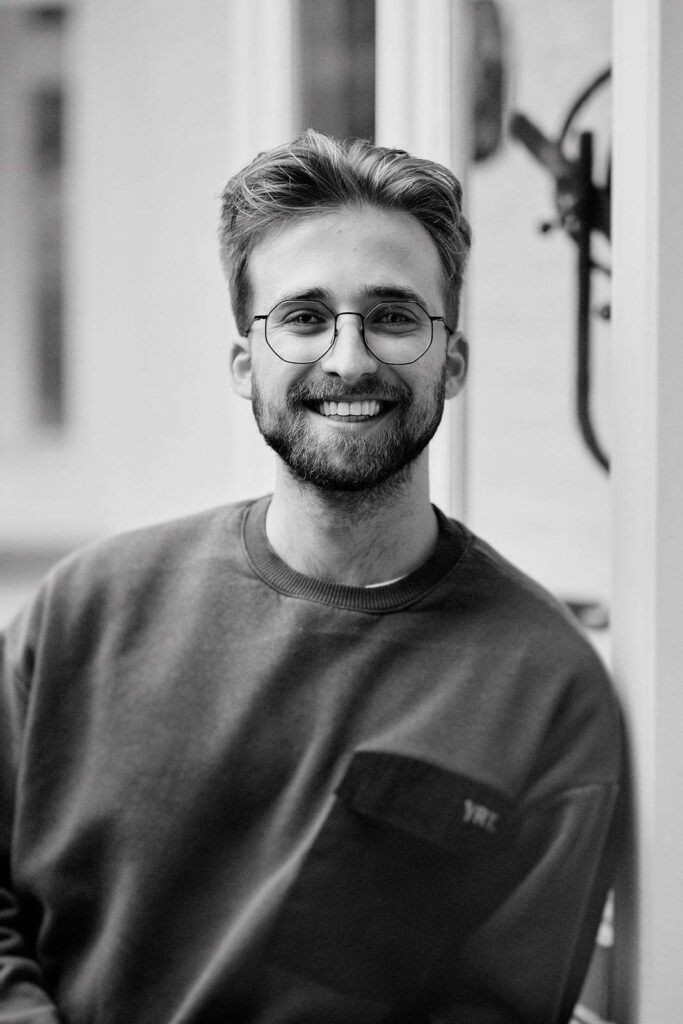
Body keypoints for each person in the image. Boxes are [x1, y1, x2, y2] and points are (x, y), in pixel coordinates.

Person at [0, 130, 622, 1024]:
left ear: (451, 363)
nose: (347, 356)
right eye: (302, 317)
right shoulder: (86, 612)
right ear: (244, 364)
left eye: (393, 315)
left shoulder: (542, 687)